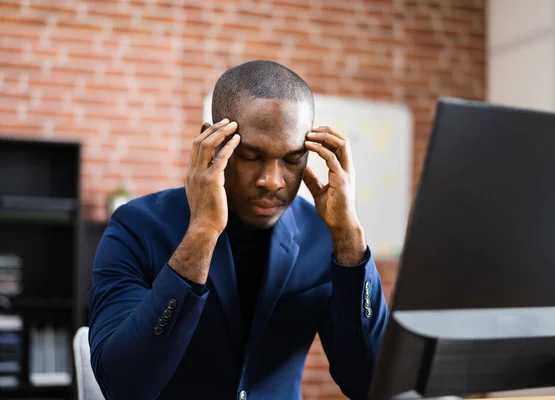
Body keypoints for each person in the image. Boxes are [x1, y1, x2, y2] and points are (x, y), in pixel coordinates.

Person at [87, 60, 388, 400]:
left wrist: (349, 238)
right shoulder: (136, 227)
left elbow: (372, 385)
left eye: (292, 159)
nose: (272, 182)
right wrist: (202, 232)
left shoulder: (324, 236)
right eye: (250, 155)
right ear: (211, 142)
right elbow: (123, 386)